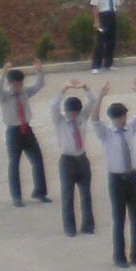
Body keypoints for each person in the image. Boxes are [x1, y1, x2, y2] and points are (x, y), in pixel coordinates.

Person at [93, 80, 136, 267]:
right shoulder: (107, 134)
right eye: (119, 118)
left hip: (132, 176)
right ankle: (119, 256)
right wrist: (100, 96)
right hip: (116, 178)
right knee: (119, 219)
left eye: (124, 116)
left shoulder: (130, 128)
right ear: (113, 119)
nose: (123, 120)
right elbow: (94, 119)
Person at [0, 61, 48, 205]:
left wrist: (39, 72)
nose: (17, 87)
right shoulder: (4, 96)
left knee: (37, 160)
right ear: (9, 83)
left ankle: (40, 192)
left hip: (27, 129)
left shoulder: (25, 91)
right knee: (14, 164)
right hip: (13, 132)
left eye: (20, 84)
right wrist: (3, 73)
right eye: (14, 84)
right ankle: (17, 197)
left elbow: (39, 85)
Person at [51, 79, 97, 237]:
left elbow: (92, 100)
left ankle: (88, 225)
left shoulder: (82, 118)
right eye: (71, 112)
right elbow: (53, 106)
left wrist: (85, 87)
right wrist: (63, 89)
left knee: (86, 194)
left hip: (82, 159)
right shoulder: (60, 121)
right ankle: (70, 228)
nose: (73, 115)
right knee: (68, 196)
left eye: (75, 112)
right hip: (67, 160)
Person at [89, 0, 122, 72]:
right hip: (102, 16)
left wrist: (115, 15)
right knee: (100, 41)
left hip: (111, 15)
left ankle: (108, 64)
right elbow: (95, 5)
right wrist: (96, 20)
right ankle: (96, 66)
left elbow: (116, 4)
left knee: (111, 41)